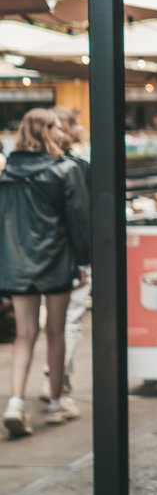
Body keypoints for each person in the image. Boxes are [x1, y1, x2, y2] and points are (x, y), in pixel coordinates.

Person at [0, 109, 90, 437]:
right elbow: (78, 221)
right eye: (54, 127)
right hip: (55, 260)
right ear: (44, 131)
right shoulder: (66, 170)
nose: (61, 132)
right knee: (56, 331)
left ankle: (15, 403)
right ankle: (55, 403)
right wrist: (82, 262)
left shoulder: (7, 171)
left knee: (24, 334)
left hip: (17, 262)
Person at [52, 109, 91, 399]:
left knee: (47, 322)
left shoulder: (25, 167)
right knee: (70, 318)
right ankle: (57, 375)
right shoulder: (76, 167)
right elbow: (82, 216)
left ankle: (56, 380)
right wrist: (84, 259)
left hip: (36, 256)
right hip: (69, 253)